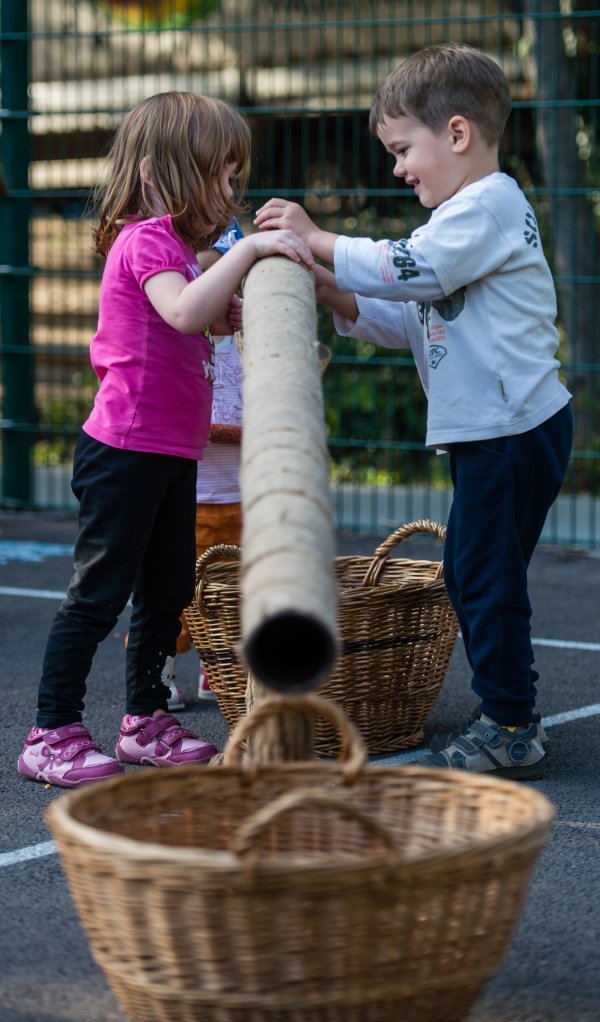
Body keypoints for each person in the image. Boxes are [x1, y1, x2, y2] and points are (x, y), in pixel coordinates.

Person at [255, 43, 572, 780]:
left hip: (510, 431)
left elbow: (415, 270)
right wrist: (336, 293)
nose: (398, 168)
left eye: (404, 149)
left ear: (457, 135)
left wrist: (319, 237)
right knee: (472, 573)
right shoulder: (466, 219)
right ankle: (507, 706)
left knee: (484, 577)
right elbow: (417, 316)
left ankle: (512, 723)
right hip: (500, 432)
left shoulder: (486, 205)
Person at [18, 91, 313, 788]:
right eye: (220, 175)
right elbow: (181, 312)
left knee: (167, 591)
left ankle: (144, 720)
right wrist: (249, 256)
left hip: (171, 453)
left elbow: (193, 321)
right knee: (98, 593)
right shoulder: (146, 238)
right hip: (124, 454)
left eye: (234, 177)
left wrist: (233, 306)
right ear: (161, 174)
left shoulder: (178, 249)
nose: (230, 191)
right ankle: (50, 730)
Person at [164, 220, 245, 709]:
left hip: (240, 498)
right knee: (175, 594)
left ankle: (218, 669)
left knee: (230, 593)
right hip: (192, 499)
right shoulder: (190, 344)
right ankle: (163, 670)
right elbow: (194, 418)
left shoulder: (245, 344)